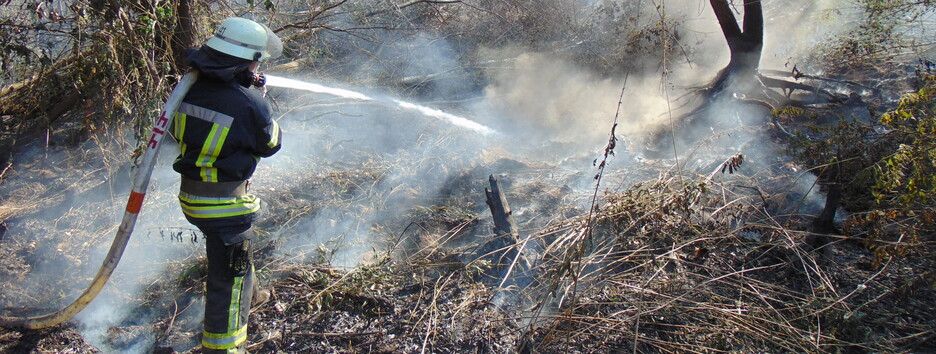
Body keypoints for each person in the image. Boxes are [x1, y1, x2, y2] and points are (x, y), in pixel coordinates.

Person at [171, 17, 282, 354]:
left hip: (193, 196)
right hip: (223, 206)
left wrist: (247, 90)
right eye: (256, 59)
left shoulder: (188, 86)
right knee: (229, 279)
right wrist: (258, 99)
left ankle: (255, 295)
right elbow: (270, 144)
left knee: (235, 261)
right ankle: (223, 347)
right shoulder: (248, 103)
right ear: (246, 59)